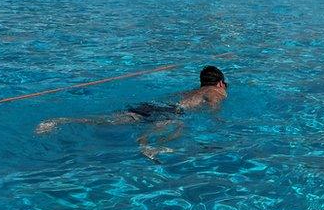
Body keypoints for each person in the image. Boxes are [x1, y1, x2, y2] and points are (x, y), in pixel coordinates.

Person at [35, 66, 229, 160]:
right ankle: (147, 145)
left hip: (152, 104)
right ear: (220, 82)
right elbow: (213, 113)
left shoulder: (193, 90)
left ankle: (58, 121)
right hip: (170, 111)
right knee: (178, 125)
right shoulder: (216, 92)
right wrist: (218, 123)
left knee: (111, 120)